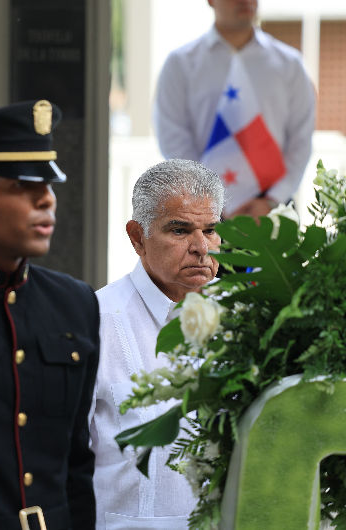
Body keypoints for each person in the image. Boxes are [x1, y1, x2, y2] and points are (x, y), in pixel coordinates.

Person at [0, 100, 99, 530]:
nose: (46, 198)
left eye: (49, 184)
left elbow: (77, 464)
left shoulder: (76, 303)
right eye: (21, 185)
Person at [90, 159, 224, 530]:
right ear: (137, 237)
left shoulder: (244, 318)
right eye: (180, 230)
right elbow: (60, 460)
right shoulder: (94, 321)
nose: (201, 247)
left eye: (210, 230)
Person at [155, 0, 315, 220]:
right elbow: (173, 138)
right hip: (204, 213)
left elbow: (301, 139)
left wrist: (272, 200)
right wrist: (210, 200)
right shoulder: (180, 63)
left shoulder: (290, 64)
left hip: (274, 208)